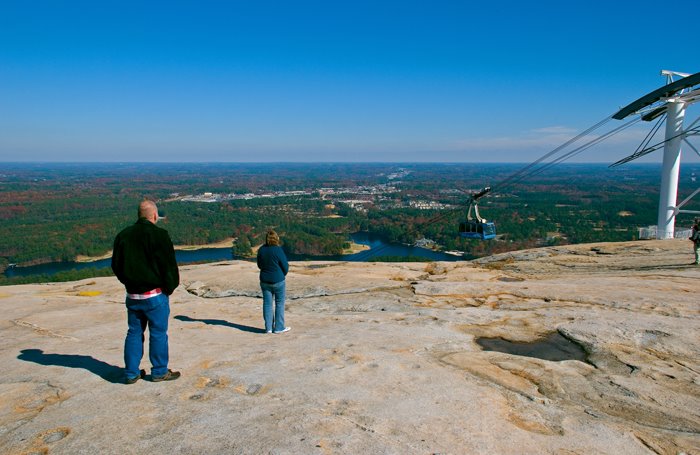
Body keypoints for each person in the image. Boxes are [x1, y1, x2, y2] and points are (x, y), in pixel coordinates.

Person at [111, 199, 181, 384]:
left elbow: (116, 266)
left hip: (132, 296)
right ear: (155, 215)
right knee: (158, 333)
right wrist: (169, 288)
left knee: (133, 332)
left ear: (138, 215)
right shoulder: (159, 235)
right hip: (155, 295)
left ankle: (131, 373)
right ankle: (159, 372)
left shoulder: (123, 235)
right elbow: (169, 267)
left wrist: (128, 283)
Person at [256, 230, 290, 334]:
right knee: (279, 303)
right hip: (278, 280)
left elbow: (259, 265)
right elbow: (285, 266)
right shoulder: (278, 250)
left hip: (265, 281)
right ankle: (279, 328)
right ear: (276, 238)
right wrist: (281, 275)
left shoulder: (261, 250)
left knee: (267, 304)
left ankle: (268, 328)